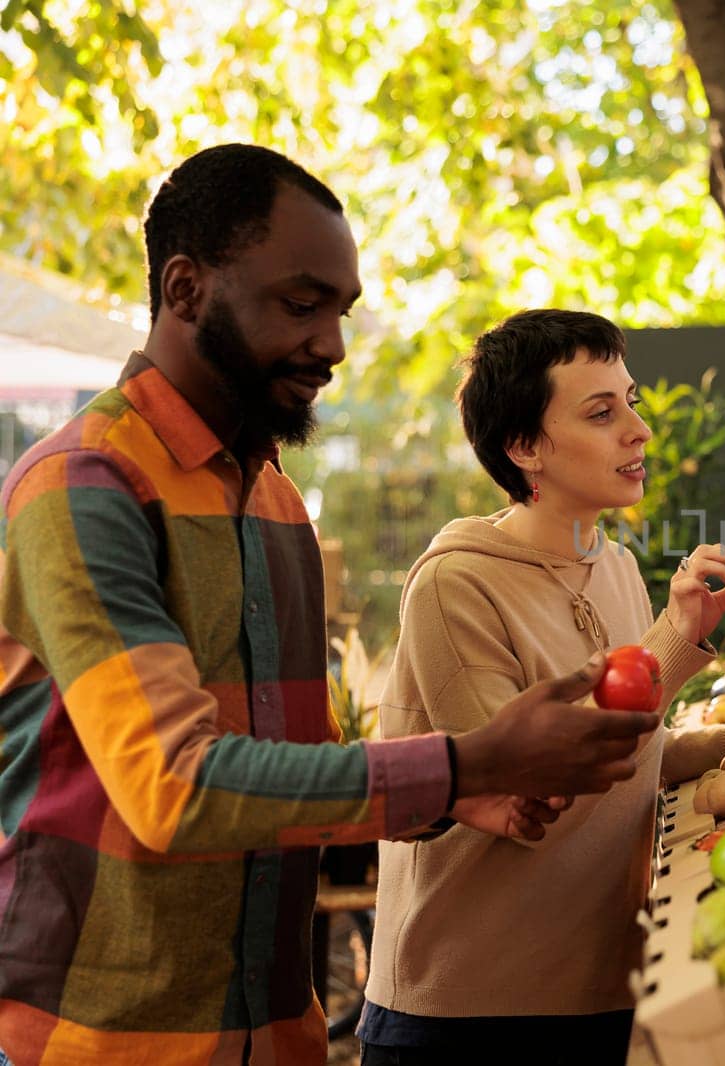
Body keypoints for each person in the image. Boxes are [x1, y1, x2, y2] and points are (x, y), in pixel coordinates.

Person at [0, 146, 659, 1066]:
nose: (334, 347)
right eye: (300, 305)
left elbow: (285, 770)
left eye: (340, 313)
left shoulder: (274, 503)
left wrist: (454, 797)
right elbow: (173, 785)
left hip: (278, 1034)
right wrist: (464, 763)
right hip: (104, 1044)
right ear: (185, 289)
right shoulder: (83, 484)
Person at [357, 310, 725, 1064]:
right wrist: (671, 644)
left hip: (603, 987)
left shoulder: (612, 567)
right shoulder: (456, 585)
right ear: (524, 448)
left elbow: (635, 758)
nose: (638, 430)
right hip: (471, 1013)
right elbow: (528, 787)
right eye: (601, 412)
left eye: (631, 402)